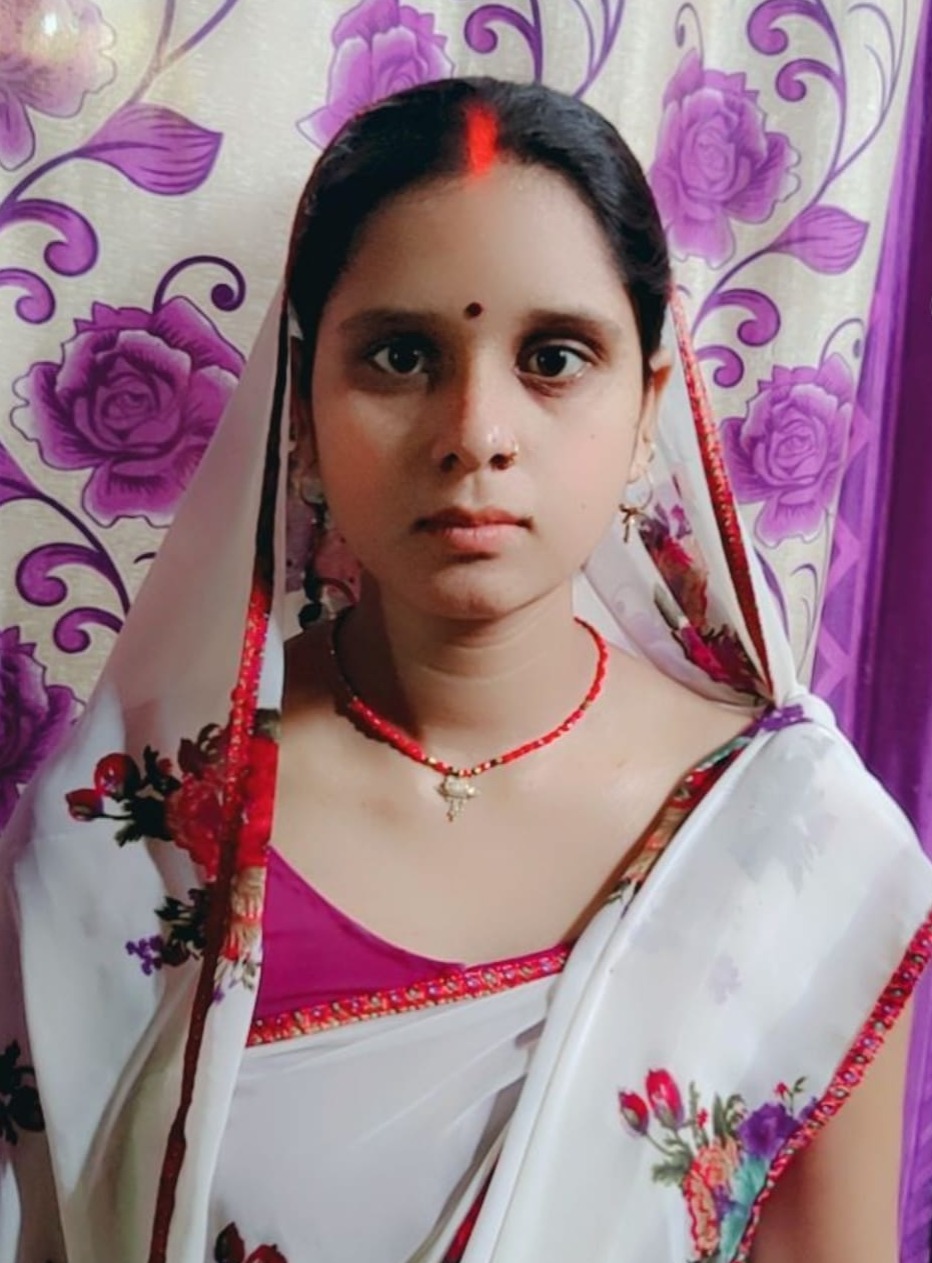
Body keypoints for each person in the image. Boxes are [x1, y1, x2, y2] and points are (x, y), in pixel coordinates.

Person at [1, 77, 929, 1263]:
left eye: (552, 357)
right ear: (301, 414)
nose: (475, 432)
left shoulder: (797, 850)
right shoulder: (127, 831)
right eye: (401, 356)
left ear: (647, 406)